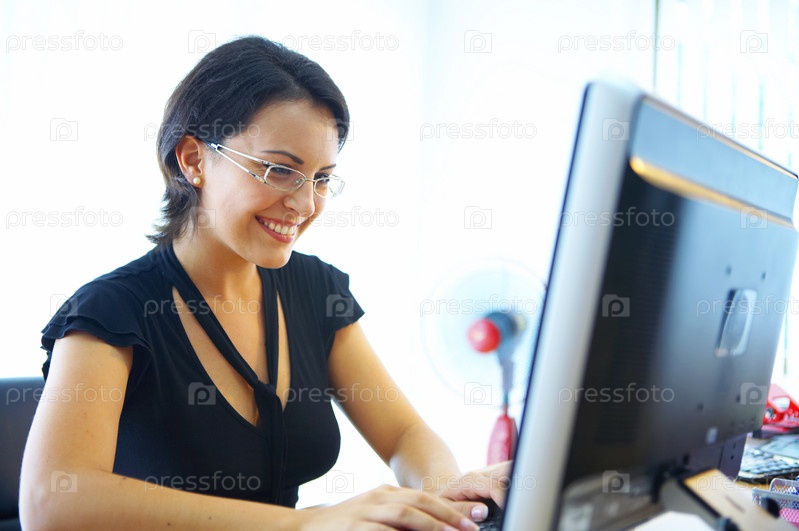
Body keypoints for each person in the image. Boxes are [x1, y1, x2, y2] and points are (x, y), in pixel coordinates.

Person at [20, 35, 509, 530]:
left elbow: (404, 434)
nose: (305, 204)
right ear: (193, 160)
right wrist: (309, 523)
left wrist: (444, 492)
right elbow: (51, 502)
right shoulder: (110, 311)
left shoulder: (317, 291)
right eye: (279, 170)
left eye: (321, 178)